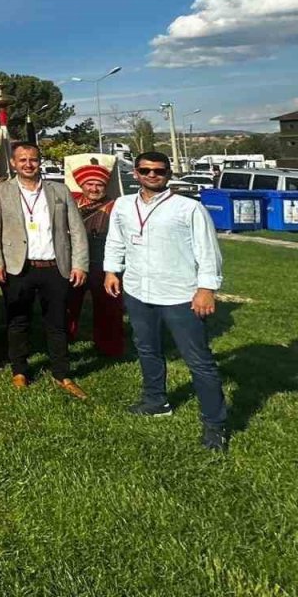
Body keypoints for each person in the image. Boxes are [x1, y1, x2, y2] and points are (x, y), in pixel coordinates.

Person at [104, 151, 229, 451]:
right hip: (138, 290)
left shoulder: (188, 208)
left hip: (180, 295)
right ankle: (156, 401)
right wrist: (112, 270)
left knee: (199, 361)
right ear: (135, 173)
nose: (152, 176)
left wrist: (206, 289)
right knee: (147, 349)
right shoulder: (122, 205)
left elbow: (208, 251)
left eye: (159, 171)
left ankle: (215, 424)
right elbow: (116, 240)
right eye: (145, 170)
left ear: (168, 174)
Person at [0, 142, 89, 398]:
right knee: (17, 321)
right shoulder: (0, 191)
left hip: (55, 267)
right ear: (13, 163)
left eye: (33, 159)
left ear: (39, 162)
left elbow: (76, 229)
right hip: (18, 267)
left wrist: (79, 263)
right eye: (22, 160)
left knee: (56, 323)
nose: (28, 164)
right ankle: (19, 370)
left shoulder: (59, 191)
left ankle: (61, 373)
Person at [66, 155, 124, 358]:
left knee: (108, 307)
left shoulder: (116, 207)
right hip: (75, 262)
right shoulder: (71, 204)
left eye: (99, 184)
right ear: (81, 184)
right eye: (89, 183)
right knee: (68, 303)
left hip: (104, 263)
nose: (94, 188)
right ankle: (65, 338)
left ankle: (109, 345)